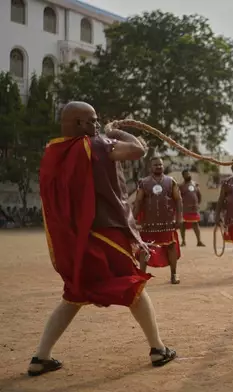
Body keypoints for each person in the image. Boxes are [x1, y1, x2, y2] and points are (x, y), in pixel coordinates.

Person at [32, 101, 176, 376]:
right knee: (134, 288)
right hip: (107, 233)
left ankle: (41, 357)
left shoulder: (55, 152)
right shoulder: (96, 146)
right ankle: (158, 349)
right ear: (78, 124)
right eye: (93, 120)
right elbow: (138, 149)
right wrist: (117, 131)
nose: (97, 125)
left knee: (74, 295)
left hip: (79, 239)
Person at [133, 157, 183, 284]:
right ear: (151, 167)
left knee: (171, 246)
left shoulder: (171, 181)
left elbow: (178, 200)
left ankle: (174, 274)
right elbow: (138, 201)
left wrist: (179, 217)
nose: (158, 167)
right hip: (148, 222)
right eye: (156, 165)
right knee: (145, 248)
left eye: (160, 165)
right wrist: (132, 219)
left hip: (167, 221)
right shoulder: (143, 183)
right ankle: (142, 276)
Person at [179, 169, 205, 247]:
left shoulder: (195, 184)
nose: (188, 175)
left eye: (189, 174)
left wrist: (197, 203)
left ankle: (199, 241)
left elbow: (199, 195)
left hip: (194, 209)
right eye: (186, 174)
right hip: (185, 210)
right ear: (183, 176)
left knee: (195, 224)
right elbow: (179, 198)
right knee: (183, 225)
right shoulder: (181, 186)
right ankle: (183, 241)